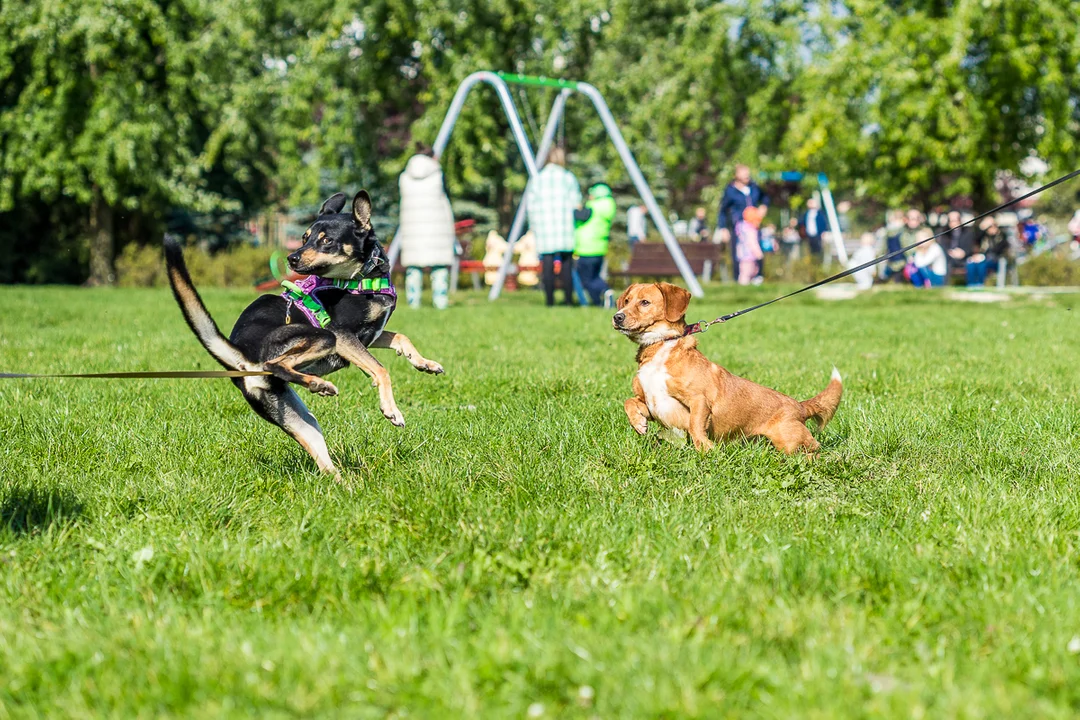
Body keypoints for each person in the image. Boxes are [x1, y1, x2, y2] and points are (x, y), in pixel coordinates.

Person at [398, 150, 456, 309]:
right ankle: (441, 302)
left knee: (414, 268)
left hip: (412, 229)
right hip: (437, 228)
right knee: (439, 268)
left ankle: (413, 302)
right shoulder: (436, 173)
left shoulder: (404, 177)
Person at [525, 147, 582, 307]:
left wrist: (533, 225)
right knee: (566, 266)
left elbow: (531, 205)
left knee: (548, 266)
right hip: (565, 227)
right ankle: (568, 300)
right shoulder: (568, 177)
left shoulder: (538, 179)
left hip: (545, 228)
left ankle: (549, 301)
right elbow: (576, 202)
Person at [717, 164, 769, 274]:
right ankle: (740, 279)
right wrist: (723, 228)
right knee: (739, 253)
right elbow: (722, 211)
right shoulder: (730, 191)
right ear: (736, 175)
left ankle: (758, 276)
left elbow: (765, 197)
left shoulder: (754, 187)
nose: (747, 174)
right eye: (743, 172)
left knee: (756, 250)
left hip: (754, 225)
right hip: (739, 227)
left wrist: (764, 206)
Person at [573, 183, 617, 307]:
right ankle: (599, 302)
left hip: (587, 249)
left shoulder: (593, 206)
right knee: (594, 276)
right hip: (600, 248)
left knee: (586, 279)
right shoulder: (608, 206)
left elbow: (578, 215)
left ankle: (605, 291)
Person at [942, 210, 976, 279]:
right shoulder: (945, 233)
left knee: (971, 265)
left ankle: (972, 287)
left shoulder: (968, 232)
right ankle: (945, 286)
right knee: (945, 264)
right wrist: (950, 252)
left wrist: (963, 253)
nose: (954, 223)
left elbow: (970, 247)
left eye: (956, 220)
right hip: (949, 259)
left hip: (964, 258)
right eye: (951, 221)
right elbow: (942, 247)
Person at [735, 206, 765, 285]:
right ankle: (743, 287)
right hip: (749, 255)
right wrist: (759, 253)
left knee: (746, 272)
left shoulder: (741, 227)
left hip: (742, 254)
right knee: (747, 273)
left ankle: (746, 286)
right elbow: (752, 243)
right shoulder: (750, 230)